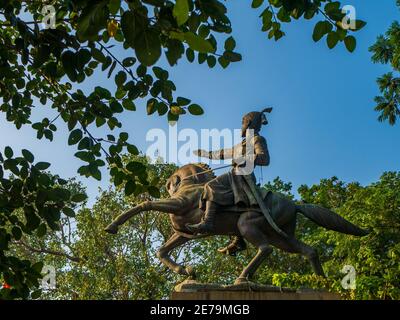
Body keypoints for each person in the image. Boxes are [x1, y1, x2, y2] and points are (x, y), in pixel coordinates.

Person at [186, 108, 272, 255]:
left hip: (242, 176)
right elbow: (221, 153)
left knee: (211, 186)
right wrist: (205, 154)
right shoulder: (240, 146)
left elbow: (264, 159)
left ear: (249, 123)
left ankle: (207, 222)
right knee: (226, 204)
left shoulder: (257, 140)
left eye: (242, 123)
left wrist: (245, 159)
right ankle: (238, 238)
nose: (241, 126)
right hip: (235, 175)